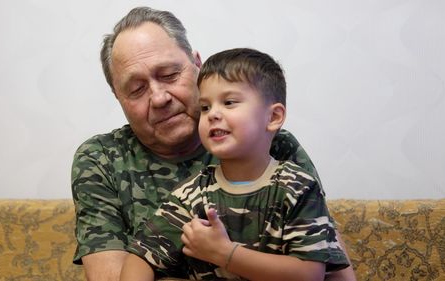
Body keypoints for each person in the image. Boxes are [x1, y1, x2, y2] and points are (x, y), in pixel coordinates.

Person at [71, 6, 356, 281]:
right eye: (136, 89)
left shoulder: (272, 149)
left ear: (197, 66)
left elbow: (330, 273)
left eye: (170, 75)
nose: (159, 98)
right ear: (118, 97)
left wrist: (227, 256)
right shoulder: (103, 160)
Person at [120, 48, 350, 281]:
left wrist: (225, 253)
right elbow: (141, 256)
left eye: (229, 102)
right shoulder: (191, 194)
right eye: (205, 107)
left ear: (273, 117)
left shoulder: (298, 188)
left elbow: (309, 274)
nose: (212, 115)